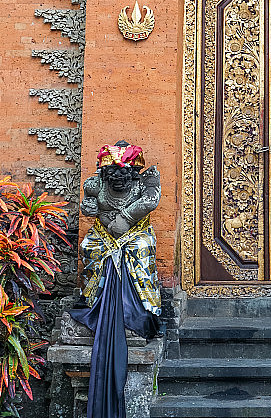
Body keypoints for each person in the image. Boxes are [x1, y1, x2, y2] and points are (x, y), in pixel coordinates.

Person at [71, 141, 161, 418]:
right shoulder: (95, 184)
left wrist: (126, 217)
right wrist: (91, 207)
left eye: (124, 172)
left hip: (136, 232)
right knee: (88, 248)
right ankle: (92, 297)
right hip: (103, 233)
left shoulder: (146, 183)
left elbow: (151, 201)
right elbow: (87, 205)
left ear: (134, 172)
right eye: (113, 172)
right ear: (104, 173)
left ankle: (144, 306)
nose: (118, 177)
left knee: (141, 250)